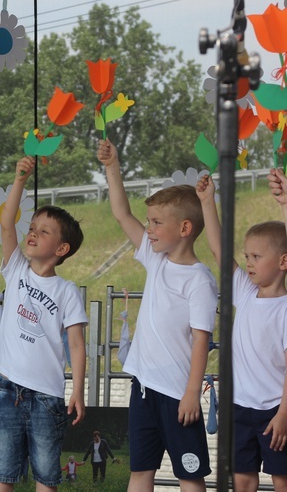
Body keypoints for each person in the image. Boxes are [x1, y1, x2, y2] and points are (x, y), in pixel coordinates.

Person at [97, 140, 217, 491]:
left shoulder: (200, 279)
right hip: (144, 389)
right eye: (148, 221)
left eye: (156, 222)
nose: (148, 228)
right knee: (140, 472)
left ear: (184, 229)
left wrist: (192, 392)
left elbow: (201, 339)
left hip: (180, 395)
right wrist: (112, 166)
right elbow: (121, 213)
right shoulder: (154, 257)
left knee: (189, 475)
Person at [0, 156, 87, 492]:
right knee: (2, 473)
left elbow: (76, 344)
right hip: (8, 391)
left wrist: (77, 389)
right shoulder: (15, 268)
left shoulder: (67, 290)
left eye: (42, 231)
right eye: (32, 228)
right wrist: (19, 179)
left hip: (47, 397)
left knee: (46, 476)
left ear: (61, 248)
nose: (32, 233)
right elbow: (6, 225)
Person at [203, 171, 287, 491]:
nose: (248, 263)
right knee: (241, 479)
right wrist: (208, 202)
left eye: (256, 256)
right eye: (247, 256)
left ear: (282, 262)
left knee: (282, 479)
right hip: (239, 407)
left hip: (275, 412)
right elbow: (218, 250)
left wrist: (283, 414)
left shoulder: (285, 308)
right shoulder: (245, 291)